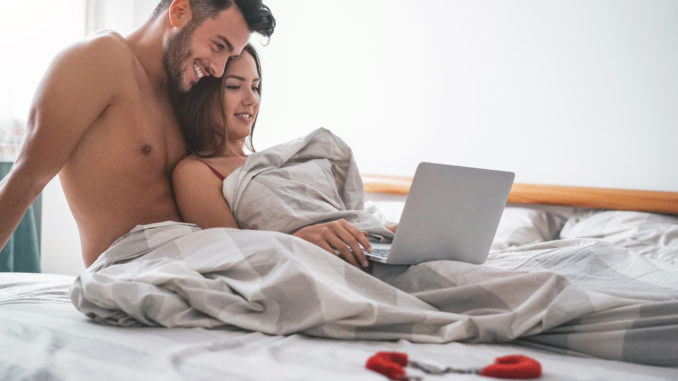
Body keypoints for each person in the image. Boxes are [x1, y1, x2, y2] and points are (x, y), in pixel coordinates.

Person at [0, 0, 275, 267]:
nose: (217, 69)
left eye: (228, 57)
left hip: (192, 262)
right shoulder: (98, 60)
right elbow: (24, 181)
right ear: (179, 12)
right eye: (218, 46)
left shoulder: (184, 93)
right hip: (129, 270)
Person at [172, 45, 396, 269]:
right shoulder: (195, 171)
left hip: (367, 246)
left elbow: (351, 214)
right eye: (233, 86)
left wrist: (395, 232)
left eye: (255, 87)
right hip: (317, 263)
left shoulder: (271, 161)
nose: (252, 100)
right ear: (200, 96)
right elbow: (234, 253)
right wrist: (297, 241)